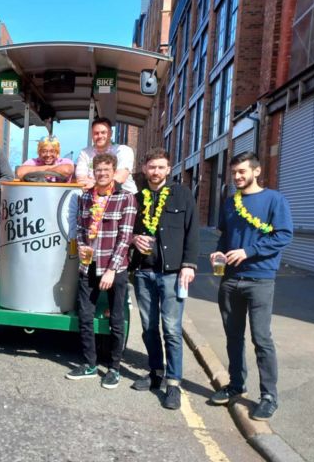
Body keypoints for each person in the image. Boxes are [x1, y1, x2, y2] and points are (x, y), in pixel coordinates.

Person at [209, 151, 293, 421]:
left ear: (256, 171)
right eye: (234, 172)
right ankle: (236, 384)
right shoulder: (229, 202)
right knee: (233, 336)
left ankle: (269, 396)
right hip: (230, 279)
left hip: (260, 279)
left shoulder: (274, 200)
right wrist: (219, 251)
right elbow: (226, 236)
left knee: (261, 339)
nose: (237, 176)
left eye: (242, 171)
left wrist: (248, 251)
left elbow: (284, 235)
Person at [129, 148, 199, 410]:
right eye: (151, 167)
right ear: (144, 169)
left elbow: (192, 231)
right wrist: (134, 239)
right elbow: (127, 231)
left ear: (168, 169)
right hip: (144, 272)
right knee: (149, 327)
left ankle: (173, 383)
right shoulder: (136, 199)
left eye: (160, 167)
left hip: (172, 274)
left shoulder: (182, 194)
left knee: (171, 329)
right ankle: (156, 372)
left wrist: (189, 265)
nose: (156, 171)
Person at [66, 153, 137, 389]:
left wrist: (111, 270)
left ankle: (114, 368)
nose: (102, 174)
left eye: (107, 170)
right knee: (85, 316)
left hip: (114, 267)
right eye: (98, 170)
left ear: (114, 172)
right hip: (89, 265)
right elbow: (80, 227)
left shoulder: (126, 198)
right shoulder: (86, 197)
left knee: (116, 319)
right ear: (93, 172)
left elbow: (125, 237)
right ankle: (90, 364)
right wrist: (82, 246)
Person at [75, 117, 137, 194]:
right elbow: (81, 179)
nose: (100, 136)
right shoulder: (85, 152)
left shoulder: (123, 150)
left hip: (123, 194)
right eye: (96, 133)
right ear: (92, 135)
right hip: (94, 196)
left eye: (103, 132)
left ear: (111, 133)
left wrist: (94, 184)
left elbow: (120, 178)